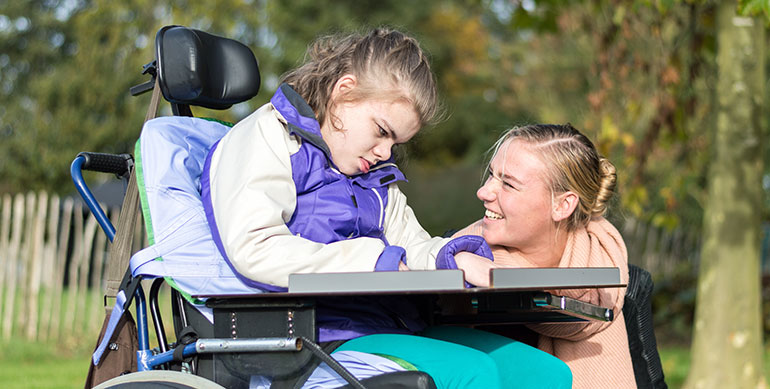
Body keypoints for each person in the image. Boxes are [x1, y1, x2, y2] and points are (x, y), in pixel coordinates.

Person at [200, 29, 572, 388]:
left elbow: (411, 245)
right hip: (313, 340)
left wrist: (452, 258)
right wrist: (374, 260)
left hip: (388, 326)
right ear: (343, 92)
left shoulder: (375, 178)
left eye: (396, 141)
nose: (385, 152)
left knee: (542, 373)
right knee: (471, 372)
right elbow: (256, 248)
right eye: (382, 130)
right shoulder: (267, 136)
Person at [454, 123, 637, 388]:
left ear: (563, 205)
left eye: (508, 184)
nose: (483, 192)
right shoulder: (461, 254)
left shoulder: (611, 281)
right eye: (492, 175)